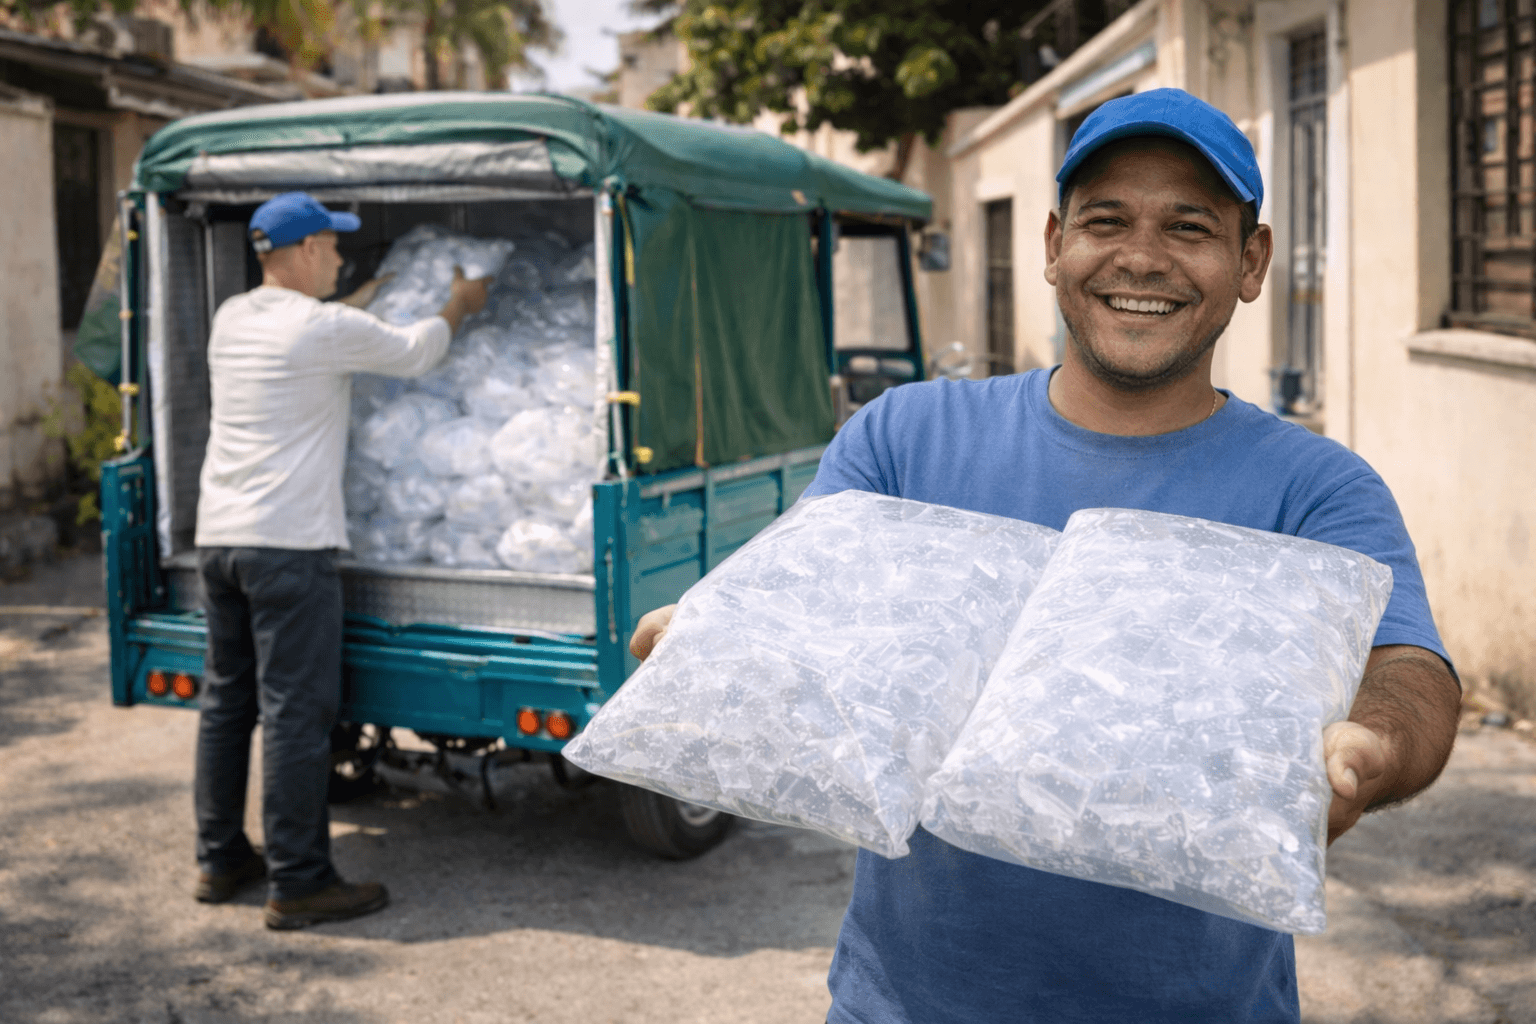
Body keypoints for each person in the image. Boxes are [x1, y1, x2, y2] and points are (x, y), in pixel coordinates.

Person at [629, 90, 1462, 1021]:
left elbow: (1410, 666)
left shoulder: (1317, 489)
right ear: (1055, 244)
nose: (1141, 258)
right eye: (1107, 221)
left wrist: (1376, 742)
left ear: (1251, 260)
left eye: (1190, 227)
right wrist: (717, 639)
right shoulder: (907, 438)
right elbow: (805, 597)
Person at [192, 192, 488, 930]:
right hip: (288, 549)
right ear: (295, 254)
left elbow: (320, 331)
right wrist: (458, 301)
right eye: (328, 246)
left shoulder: (235, 317)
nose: (338, 257)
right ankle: (299, 881)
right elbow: (418, 351)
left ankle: (220, 856)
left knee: (228, 703)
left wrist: (358, 301)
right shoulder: (322, 329)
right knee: (298, 714)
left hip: (220, 541)